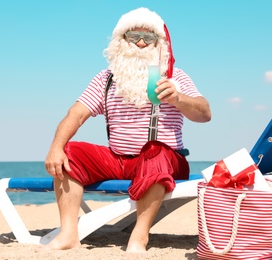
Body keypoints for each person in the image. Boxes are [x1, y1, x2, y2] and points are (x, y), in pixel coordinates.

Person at [44, 7, 211, 256]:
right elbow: (76, 114)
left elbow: (205, 113)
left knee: (155, 153)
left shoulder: (174, 77)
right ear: (121, 41)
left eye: (149, 37)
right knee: (70, 151)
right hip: (119, 159)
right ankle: (69, 234)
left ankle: (139, 236)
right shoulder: (106, 79)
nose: (141, 43)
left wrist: (177, 98)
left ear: (160, 43)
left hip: (165, 160)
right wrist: (56, 148)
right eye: (134, 36)